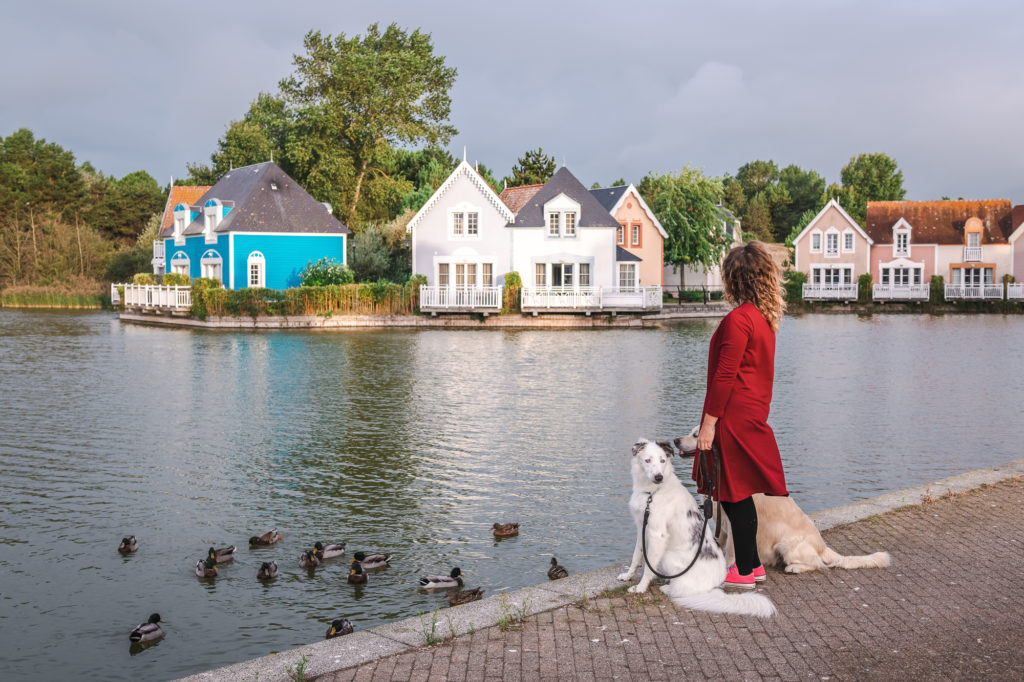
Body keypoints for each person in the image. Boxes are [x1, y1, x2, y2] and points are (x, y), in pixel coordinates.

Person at [694, 241, 788, 589]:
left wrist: (708, 424)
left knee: (733, 496)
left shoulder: (738, 320)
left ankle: (744, 573)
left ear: (735, 279)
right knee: (739, 493)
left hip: (732, 414)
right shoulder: (764, 320)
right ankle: (753, 566)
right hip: (752, 411)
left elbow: (724, 376)